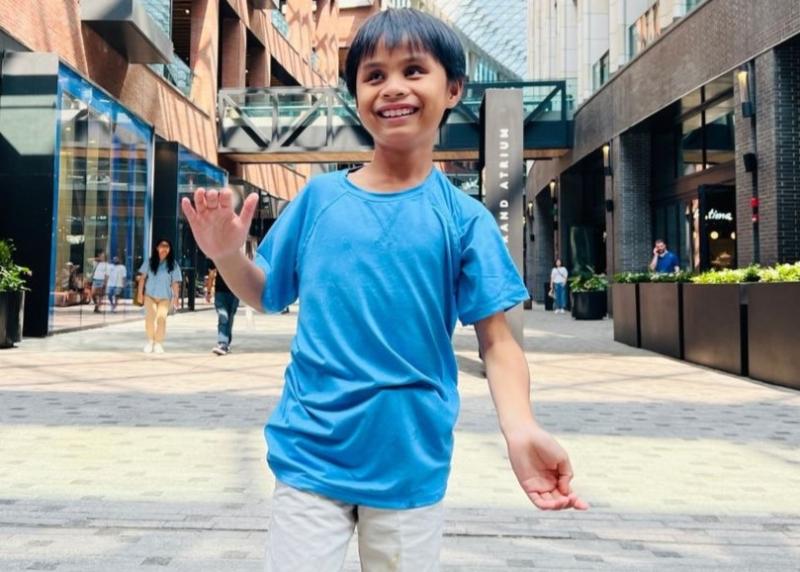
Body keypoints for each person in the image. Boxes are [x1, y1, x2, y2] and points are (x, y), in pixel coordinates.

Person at [181, 8, 587, 571]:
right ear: (356, 97)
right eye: (374, 76)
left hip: (409, 461)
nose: (393, 87)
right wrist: (228, 254)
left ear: (453, 89)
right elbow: (265, 294)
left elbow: (498, 342)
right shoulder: (320, 199)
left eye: (414, 70)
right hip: (310, 452)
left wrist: (520, 428)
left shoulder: (465, 220)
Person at [137, 239, 182, 354]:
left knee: (161, 319)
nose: (164, 249)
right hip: (150, 296)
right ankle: (150, 341)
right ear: (157, 248)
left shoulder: (173, 264)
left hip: (165, 297)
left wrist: (176, 298)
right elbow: (142, 278)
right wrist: (139, 294)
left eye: (167, 246)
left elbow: (175, 283)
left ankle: (158, 343)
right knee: (150, 318)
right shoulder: (150, 262)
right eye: (162, 246)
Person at [206, 259, 239, 355]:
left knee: (229, 318)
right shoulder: (217, 257)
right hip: (221, 292)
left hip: (234, 293)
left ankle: (226, 343)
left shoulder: (238, 256)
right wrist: (209, 291)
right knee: (223, 317)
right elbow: (211, 274)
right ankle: (222, 343)